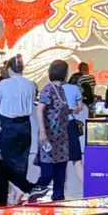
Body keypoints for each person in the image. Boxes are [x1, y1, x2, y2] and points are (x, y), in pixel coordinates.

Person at [0, 56, 36, 179]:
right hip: (25, 124)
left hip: (8, 124)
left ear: (9, 69)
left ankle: (9, 185)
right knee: (22, 158)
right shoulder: (30, 84)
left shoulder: (4, 83)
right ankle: (21, 185)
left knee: (7, 158)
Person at [36, 60, 72, 201]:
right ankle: (33, 194)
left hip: (61, 138)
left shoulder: (61, 90)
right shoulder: (48, 89)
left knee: (61, 171)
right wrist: (42, 131)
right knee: (48, 172)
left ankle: (58, 199)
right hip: (49, 136)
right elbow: (40, 110)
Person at [62, 64, 88, 183]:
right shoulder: (75, 89)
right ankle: (86, 188)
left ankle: (59, 190)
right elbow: (80, 108)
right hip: (71, 124)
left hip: (57, 126)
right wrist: (73, 109)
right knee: (77, 161)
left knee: (59, 163)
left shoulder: (52, 88)